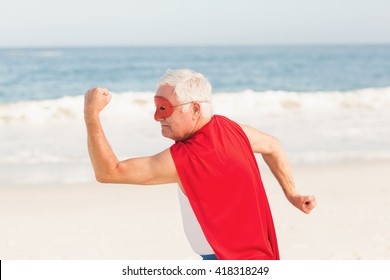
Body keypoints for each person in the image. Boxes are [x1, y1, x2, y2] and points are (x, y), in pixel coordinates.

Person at [84, 69, 317, 260]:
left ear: (195, 108)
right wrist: (291, 193)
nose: (157, 117)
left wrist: (91, 115)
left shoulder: (184, 158)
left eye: (164, 108)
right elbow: (273, 145)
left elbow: (108, 172)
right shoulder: (231, 129)